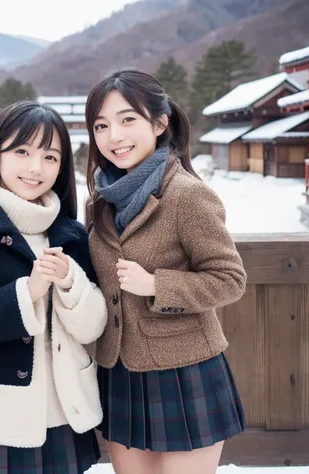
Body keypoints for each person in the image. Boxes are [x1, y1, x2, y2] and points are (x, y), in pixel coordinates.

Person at [0, 101, 107, 474]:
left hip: (63, 411)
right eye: (22, 151)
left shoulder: (72, 234)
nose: (35, 167)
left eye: (50, 157)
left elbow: (92, 329)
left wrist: (70, 281)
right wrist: (27, 293)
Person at [85, 68, 247, 474]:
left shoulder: (188, 196)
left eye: (127, 120)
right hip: (119, 366)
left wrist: (157, 284)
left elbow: (230, 279)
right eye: (101, 125)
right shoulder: (101, 201)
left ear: (160, 123)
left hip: (185, 367)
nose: (114, 136)